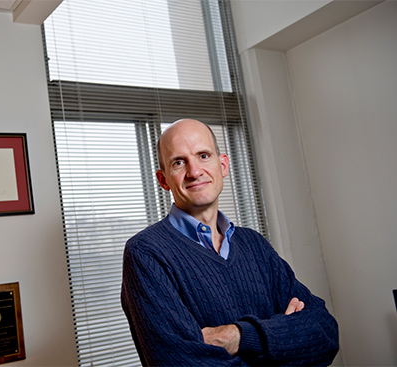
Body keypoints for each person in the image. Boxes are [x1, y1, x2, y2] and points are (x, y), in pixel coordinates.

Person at [120, 119, 339, 366]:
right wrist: (285, 341)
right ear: (163, 180)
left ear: (222, 165)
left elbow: (325, 333)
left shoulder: (254, 244)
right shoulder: (146, 254)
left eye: (203, 155)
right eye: (179, 162)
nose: (194, 172)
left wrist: (238, 336)